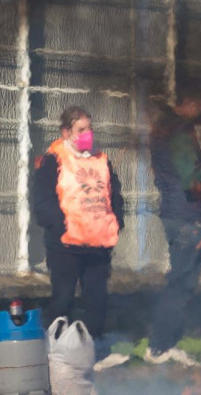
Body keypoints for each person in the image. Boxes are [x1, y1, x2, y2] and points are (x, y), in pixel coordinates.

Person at [32, 106, 127, 370]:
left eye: (90, 128)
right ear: (66, 132)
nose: (88, 133)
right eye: (81, 129)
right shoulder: (54, 160)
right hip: (66, 246)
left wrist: (116, 222)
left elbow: (114, 195)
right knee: (63, 299)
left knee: (97, 301)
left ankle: (92, 353)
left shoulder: (101, 159)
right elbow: (42, 201)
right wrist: (61, 228)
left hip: (98, 244)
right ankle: (55, 354)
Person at [145, 94, 201, 365]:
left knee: (184, 283)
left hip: (179, 213)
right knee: (181, 284)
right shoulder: (179, 133)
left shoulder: (165, 130)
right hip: (184, 217)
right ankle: (159, 346)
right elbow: (190, 177)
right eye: (200, 102)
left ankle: (165, 343)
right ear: (188, 102)